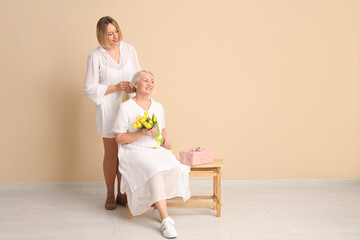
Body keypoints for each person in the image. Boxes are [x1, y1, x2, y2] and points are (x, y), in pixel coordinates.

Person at [114, 70, 191, 238]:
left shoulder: (158, 107)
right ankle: (166, 220)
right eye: (146, 80)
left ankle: (157, 206)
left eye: (153, 81)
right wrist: (141, 133)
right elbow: (119, 138)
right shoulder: (126, 108)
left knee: (175, 168)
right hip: (134, 151)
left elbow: (162, 131)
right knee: (155, 169)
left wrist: (166, 139)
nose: (150, 84)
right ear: (135, 84)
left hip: (155, 150)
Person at [84, 16, 141, 210]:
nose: (115, 36)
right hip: (108, 109)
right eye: (110, 33)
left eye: (116, 31)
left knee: (126, 151)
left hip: (128, 108)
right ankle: (109, 194)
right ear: (102, 35)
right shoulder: (95, 56)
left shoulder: (130, 50)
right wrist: (116, 86)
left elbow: (138, 77)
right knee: (111, 153)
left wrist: (133, 87)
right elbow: (90, 88)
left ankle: (122, 193)